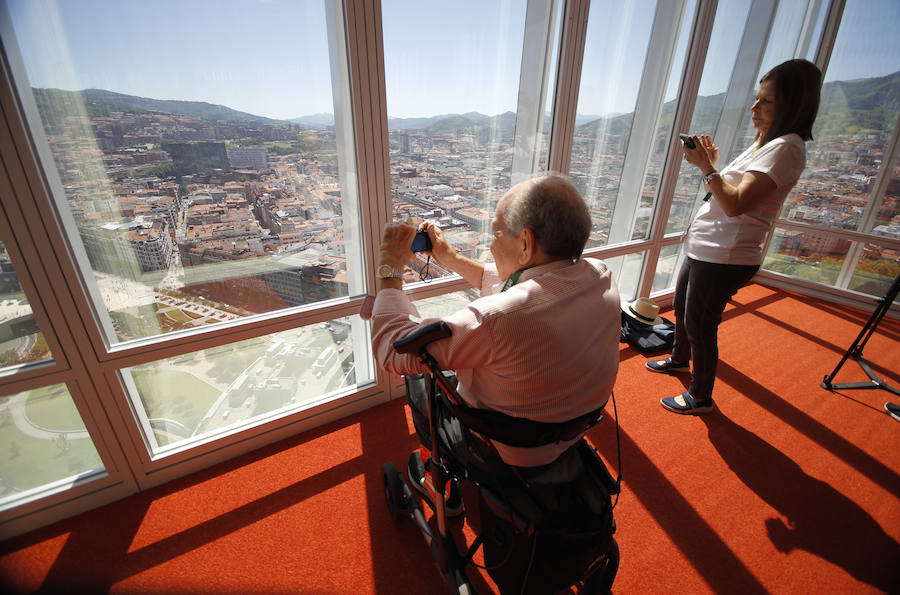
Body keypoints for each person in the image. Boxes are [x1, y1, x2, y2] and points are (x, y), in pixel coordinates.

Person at [364, 173, 620, 504]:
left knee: (421, 377)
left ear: (526, 244)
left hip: (508, 449)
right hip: (572, 430)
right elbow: (522, 287)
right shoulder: (601, 275)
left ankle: (438, 477)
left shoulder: (496, 319)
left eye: (496, 233)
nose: (490, 244)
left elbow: (391, 348)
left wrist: (389, 268)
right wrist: (449, 258)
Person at [647, 58, 822, 415]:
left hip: (726, 255)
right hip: (707, 247)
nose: (754, 107)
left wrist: (707, 167)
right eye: (757, 99)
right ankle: (679, 360)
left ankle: (700, 396)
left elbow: (736, 204)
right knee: (682, 310)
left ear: (791, 105)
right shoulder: (764, 143)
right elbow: (729, 191)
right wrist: (712, 164)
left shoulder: (786, 147)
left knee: (700, 324)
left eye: (766, 101)